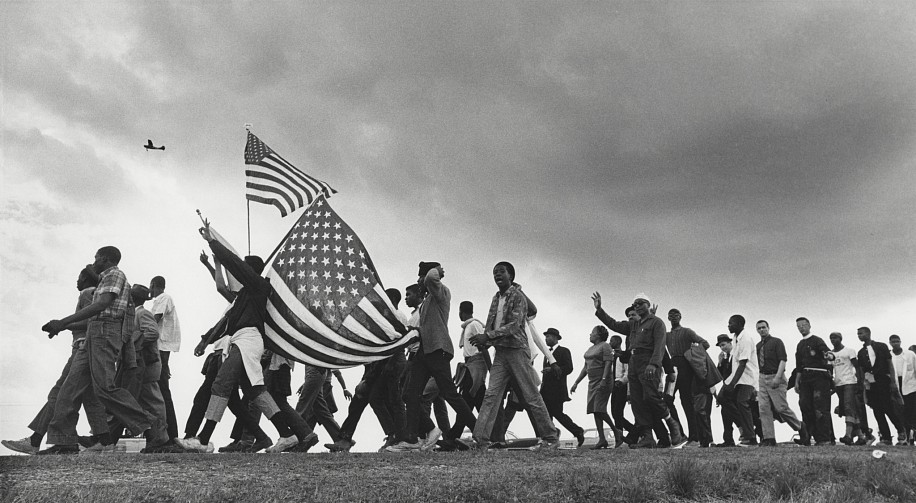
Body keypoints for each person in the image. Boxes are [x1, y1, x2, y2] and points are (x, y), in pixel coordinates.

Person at [177, 223, 316, 454]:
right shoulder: (243, 295)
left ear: (249, 272)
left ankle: (202, 439)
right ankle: (287, 434)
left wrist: (213, 242)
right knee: (255, 392)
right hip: (241, 340)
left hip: (249, 339)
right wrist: (206, 340)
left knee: (221, 383)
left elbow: (236, 266)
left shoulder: (259, 286)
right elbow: (224, 311)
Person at [40, 246, 171, 454]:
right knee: (70, 387)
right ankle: (64, 441)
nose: (94, 261)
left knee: (104, 389)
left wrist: (63, 321)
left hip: (105, 333)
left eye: (97, 258)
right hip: (95, 332)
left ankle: (155, 428)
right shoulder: (105, 279)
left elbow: (102, 305)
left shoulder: (115, 275)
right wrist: (62, 326)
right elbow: (94, 315)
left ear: (106, 259)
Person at [2, 267, 108, 455]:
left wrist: (63, 324)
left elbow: (92, 320)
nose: (77, 282)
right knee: (89, 397)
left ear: (85, 280)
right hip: (89, 348)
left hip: (82, 348)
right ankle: (104, 440)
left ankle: (47, 441)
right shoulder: (96, 293)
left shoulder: (86, 293)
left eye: (79, 278)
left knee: (60, 393)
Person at [469, 261, 559, 450]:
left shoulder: (518, 297)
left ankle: (550, 437)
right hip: (501, 352)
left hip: (517, 350)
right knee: (491, 395)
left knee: (531, 394)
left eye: (501, 272)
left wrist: (488, 336)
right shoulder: (496, 298)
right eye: (494, 273)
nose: (497, 275)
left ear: (511, 275)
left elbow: (514, 325)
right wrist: (484, 340)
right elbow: (490, 323)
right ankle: (481, 440)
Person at [388, 262, 476, 452]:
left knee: (450, 394)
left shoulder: (441, 293)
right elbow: (426, 327)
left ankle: (479, 432)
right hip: (424, 353)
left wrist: (435, 271)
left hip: (438, 350)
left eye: (421, 277)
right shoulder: (427, 301)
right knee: (410, 393)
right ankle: (412, 438)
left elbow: (430, 278)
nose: (419, 281)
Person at [592, 292, 685, 448]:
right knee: (637, 402)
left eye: (640, 303)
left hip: (648, 362)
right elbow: (614, 324)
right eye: (635, 304)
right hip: (634, 363)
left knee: (651, 397)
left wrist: (654, 364)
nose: (637, 306)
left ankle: (672, 423)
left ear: (648, 305)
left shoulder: (657, 323)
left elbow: (660, 346)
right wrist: (599, 310)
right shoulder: (633, 324)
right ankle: (647, 437)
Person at [755, 320, 804, 446]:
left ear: (768, 328)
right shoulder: (758, 346)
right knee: (763, 408)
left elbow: (783, 360)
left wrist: (777, 377)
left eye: (764, 327)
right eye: (759, 328)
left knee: (780, 407)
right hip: (762, 377)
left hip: (775, 375)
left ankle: (800, 427)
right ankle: (769, 438)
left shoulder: (776, 342)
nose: (762, 330)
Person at [571, 326, 621, 449]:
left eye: (592, 333)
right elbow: (585, 368)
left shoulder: (605, 346)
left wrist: (604, 380)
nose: (590, 334)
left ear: (598, 335)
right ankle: (602, 439)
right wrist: (576, 382)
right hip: (592, 381)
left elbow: (608, 363)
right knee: (594, 409)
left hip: (603, 380)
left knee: (599, 408)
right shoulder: (590, 349)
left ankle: (616, 431)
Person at [665, 308, 709, 447]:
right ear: (668, 318)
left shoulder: (687, 331)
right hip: (672, 367)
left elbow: (705, 343)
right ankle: (680, 434)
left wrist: (692, 354)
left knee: (687, 402)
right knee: (666, 399)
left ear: (680, 316)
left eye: (676, 315)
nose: (673, 317)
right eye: (671, 315)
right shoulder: (666, 335)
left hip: (685, 366)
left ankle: (694, 437)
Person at [857, 327, 905, 446]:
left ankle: (901, 430)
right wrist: (865, 387)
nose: (859, 336)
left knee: (888, 407)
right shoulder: (861, 352)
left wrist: (893, 382)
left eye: (861, 333)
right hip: (870, 383)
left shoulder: (881, 346)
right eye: (858, 334)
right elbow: (862, 371)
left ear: (868, 333)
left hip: (883, 379)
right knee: (877, 410)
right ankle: (886, 438)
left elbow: (889, 364)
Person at [539, 327, 585, 448]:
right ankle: (550, 436)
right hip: (546, 389)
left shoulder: (564, 351)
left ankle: (576, 430)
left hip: (557, 390)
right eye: (546, 336)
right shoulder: (546, 354)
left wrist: (553, 369)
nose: (546, 338)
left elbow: (569, 368)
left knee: (557, 413)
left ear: (555, 338)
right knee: (547, 415)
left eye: (548, 336)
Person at [793, 317, 835, 446]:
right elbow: (799, 366)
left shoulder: (817, 340)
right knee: (805, 406)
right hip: (805, 378)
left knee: (820, 407)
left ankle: (825, 438)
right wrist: (796, 382)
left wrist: (829, 355)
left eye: (803, 325)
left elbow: (828, 353)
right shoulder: (800, 345)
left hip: (819, 377)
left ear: (809, 325)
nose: (801, 328)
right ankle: (807, 437)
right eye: (799, 326)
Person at [149, 276, 181, 443]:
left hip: (161, 347)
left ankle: (170, 434)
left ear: (154, 285)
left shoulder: (164, 298)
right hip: (162, 348)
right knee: (161, 390)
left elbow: (155, 320)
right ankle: (167, 433)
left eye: (150, 287)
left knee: (162, 390)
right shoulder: (161, 300)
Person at [720, 315, 759, 447]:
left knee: (742, 402)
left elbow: (742, 364)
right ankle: (737, 433)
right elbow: (735, 365)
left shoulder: (746, 339)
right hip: (737, 378)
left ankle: (751, 438)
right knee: (723, 399)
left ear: (739, 324)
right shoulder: (736, 338)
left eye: (731, 323)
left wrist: (731, 384)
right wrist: (727, 385)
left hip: (747, 378)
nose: (728, 326)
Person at [829, 332, 866, 445]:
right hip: (838, 383)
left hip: (849, 381)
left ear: (840, 338)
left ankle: (848, 435)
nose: (833, 340)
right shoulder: (830, 354)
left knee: (848, 406)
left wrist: (860, 381)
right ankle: (860, 436)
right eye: (831, 338)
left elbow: (857, 366)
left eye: (835, 338)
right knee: (849, 409)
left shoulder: (849, 351)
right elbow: (830, 369)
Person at [609, 333, 637, 443]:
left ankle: (620, 435)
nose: (610, 343)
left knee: (618, 412)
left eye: (612, 341)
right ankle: (633, 431)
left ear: (618, 342)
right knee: (614, 412)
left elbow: (628, 371)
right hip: (613, 386)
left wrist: (622, 382)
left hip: (622, 385)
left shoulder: (623, 356)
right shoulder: (612, 357)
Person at [889, 334, 916, 445]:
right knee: (899, 412)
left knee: (911, 411)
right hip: (895, 386)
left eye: (897, 341)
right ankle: (904, 435)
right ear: (890, 343)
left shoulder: (910, 354)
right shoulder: (889, 355)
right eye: (893, 341)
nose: (895, 343)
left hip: (910, 386)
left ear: (900, 341)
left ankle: (912, 435)